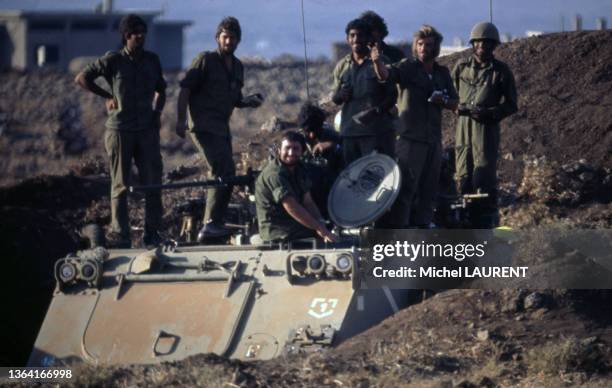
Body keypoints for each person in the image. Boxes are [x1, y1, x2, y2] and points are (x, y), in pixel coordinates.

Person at [75, 14, 166, 248]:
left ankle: (152, 233)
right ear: (127, 36)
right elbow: (82, 78)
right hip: (120, 130)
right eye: (137, 34)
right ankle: (121, 234)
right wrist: (107, 96)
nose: (142, 38)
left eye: (144, 33)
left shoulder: (153, 60)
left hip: (146, 130)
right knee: (120, 185)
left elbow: (161, 90)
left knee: (153, 183)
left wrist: (156, 115)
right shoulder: (113, 61)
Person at [175, 17, 263, 241]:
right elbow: (185, 89)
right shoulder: (205, 60)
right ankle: (210, 223)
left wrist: (247, 102)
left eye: (233, 38)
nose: (229, 41)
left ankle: (216, 222)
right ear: (218, 38)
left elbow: (235, 99)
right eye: (225, 37)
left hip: (222, 128)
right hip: (203, 126)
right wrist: (180, 119)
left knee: (229, 173)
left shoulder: (238, 67)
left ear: (238, 40)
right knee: (220, 169)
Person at [372, 25, 458, 228]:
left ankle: (423, 231)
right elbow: (386, 76)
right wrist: (376, 62)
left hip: (433, 140)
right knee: (406, 191)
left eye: (428, 45)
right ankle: (401, 234)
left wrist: (442, 100)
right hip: (409, 140)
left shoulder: (441, 72)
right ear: (415, 46)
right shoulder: (407, 67)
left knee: (429, 191)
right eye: (420, 44)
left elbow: (455, 103)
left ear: (436, 47)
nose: (423, 48)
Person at [452, 22, 518, 227]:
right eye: (479, 42)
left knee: (484, 176)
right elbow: (450, 96)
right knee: (463, 175)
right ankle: (463, 223)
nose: (483, 46)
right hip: (463, 128)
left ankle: (484, 223)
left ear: (494, 46)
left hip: (486, 130)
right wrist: (458, 107)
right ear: (473, 44)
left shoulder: (501, 71)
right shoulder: (461, 67)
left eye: (488, 43)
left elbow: (511, 104)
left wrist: (490, 113)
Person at [332, 18, 397, 166]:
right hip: (349, 134)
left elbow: (392, 95)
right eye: (352, 35)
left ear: (368, 39)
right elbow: (334, 98)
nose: (356, 39)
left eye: (360, 35)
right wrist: (340, 95)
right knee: (353, 179)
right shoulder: (342, 66)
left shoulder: (381, 62)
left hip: (376, 134)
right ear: (347, 39)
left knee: (376, 176)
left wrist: (376, 111)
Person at [255, 131, 337, 244]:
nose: (291, 152)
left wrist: (321, 222)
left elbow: (308, 202)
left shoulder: (299, 168)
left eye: (295, 148)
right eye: (287, 148)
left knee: (330, 227)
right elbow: (292, 207)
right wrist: (320, 229)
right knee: (321, 235)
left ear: (302, 151)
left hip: (294, 223)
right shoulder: (274, 174)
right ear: (279, 150)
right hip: (278, 229)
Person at [297, 102, 343, 216]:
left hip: (333, 189)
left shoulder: (332, 136)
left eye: (315, 130)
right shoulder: (297, 141)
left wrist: (331, 145)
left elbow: (347, 152)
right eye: (308, 131)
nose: (312, 135)